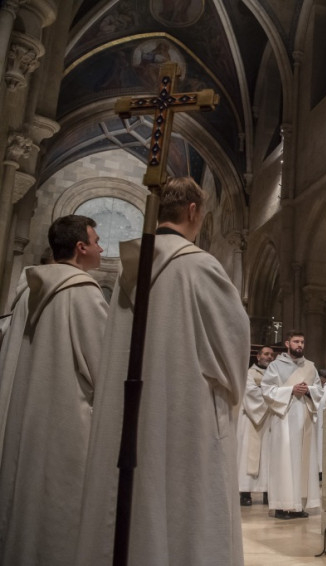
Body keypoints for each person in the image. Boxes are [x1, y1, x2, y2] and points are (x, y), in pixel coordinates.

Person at [74, 177, 250, 566]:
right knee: (188, 514)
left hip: (136, 418)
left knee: (139, 511)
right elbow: (234, 346)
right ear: (193, 211)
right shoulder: (199, 266)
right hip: (188, 416)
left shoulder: (132, 270)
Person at [0, 215, 107, 565]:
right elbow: (104, 370)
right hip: (66, 426)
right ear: (80, 247)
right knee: (61, 516)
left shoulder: (27, 291)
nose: (101, 247)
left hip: (22, 420)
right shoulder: (82, 293)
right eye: (96, 241)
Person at [262, 330, 323, 519]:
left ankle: (298, 505)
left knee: (302, 462)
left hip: (304, 419)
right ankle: (281, 506)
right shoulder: (275, 366)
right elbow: (267, 390)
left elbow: (319, 390)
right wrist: (290, 390)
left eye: (302, 342)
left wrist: (308, 391)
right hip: (284, 419)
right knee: (283, 461)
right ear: (287, 344)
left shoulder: (310, 367)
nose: (300, 345)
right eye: (296, 341)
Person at [237, 345, 276, 507]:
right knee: (247, 455)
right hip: (250, 419)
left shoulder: (275, 374)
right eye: (266, 354)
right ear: (258, 356)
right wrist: (271, 394)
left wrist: (269, 393)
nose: (269, 357)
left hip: (269, 420)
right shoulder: (248, 374)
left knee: (269, 456)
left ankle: (268, 492)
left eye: (271, 355)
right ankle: (245, 492)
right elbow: (250, 393)